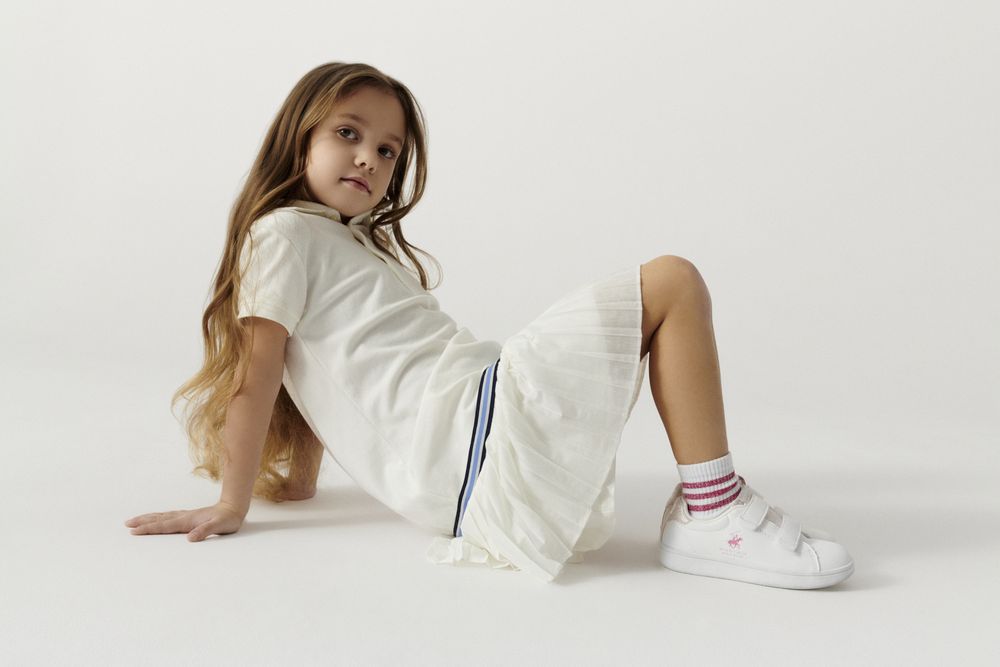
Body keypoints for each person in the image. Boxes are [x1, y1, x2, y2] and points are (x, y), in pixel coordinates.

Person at [123, 62, 854, 589]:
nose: (369, 158)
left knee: (670, 288)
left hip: (475, 422)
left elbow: (323, 366)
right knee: (673, 282)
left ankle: (710, 507)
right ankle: (713, 512)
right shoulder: (283, 231)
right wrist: (232, 501)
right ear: (297, 138)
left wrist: (303, 479)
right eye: (348, 133)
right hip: (470, 428)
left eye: (388, 150)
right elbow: (260, 371)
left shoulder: (346, 240)